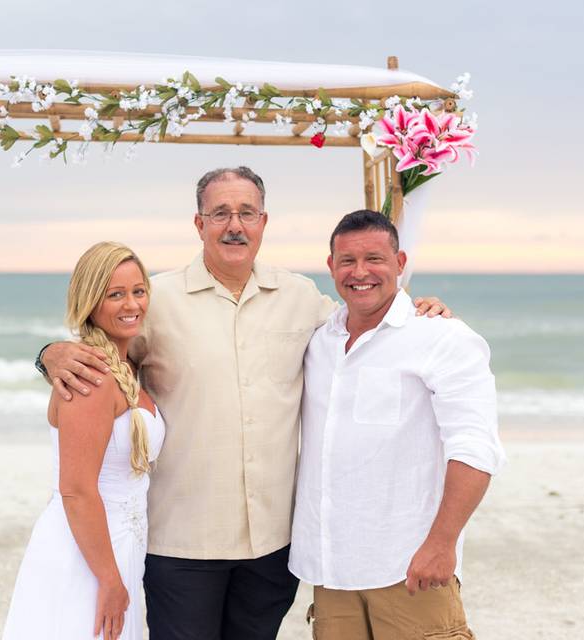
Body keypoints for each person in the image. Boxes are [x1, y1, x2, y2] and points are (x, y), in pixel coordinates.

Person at [39, 168, 453, 640]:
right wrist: (48, 354)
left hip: (274, 546)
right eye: (220, 213)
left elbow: (367, 322)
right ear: (199, 224)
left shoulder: (300, 296)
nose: (234, 225)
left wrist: (419, 308)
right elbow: (100, 354)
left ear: (263, 221)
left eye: (246, 213)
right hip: (181, 545)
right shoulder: (157, 300)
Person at [289, 209, 506, 639]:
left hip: (409, 567)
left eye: (375, 259)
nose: (360, 272)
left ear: (400, 263)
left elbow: (475, 449)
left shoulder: (442, 338)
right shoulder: (319, 341)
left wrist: (442, 545)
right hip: (332, 572)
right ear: (330, 267)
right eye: (347, 261)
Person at [3, 242, 165, 640]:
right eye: (115, 294)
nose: (131, 304)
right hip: (86, 555)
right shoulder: (90, 377)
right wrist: (109, 580)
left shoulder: (126, 366)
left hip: (122, 544)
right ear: (90, 302)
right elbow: (76, 490)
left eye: (138, 291)